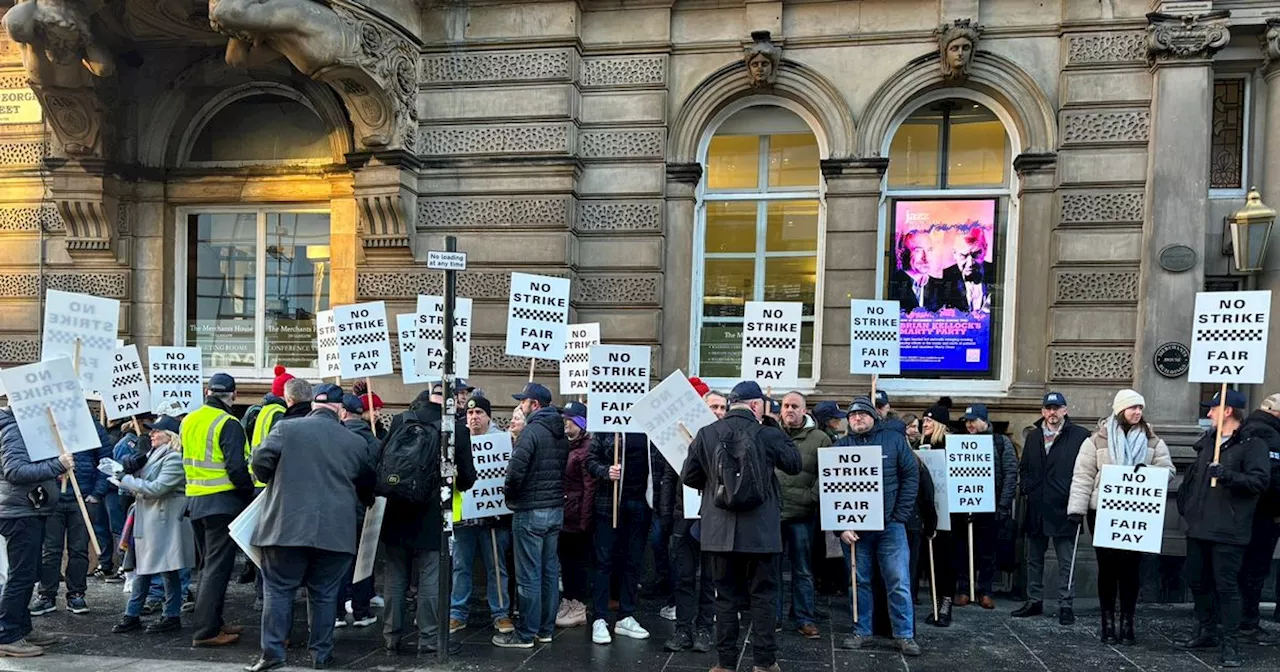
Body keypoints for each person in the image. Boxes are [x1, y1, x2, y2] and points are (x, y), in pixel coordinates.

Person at [245, 383, 378, 672]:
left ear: (313, 406)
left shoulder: (286, 429)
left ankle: (272, 655)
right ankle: (321, 654)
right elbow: (367, 486)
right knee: (325, 593)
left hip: (284, 527)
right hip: (334, 532)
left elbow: (260, 461)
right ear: (340, 410)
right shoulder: (355, 442)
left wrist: (272, 478)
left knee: (279, 591)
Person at [681, 381, 802, 672]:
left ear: (731, 403)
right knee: (764, 597)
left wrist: (716, 485)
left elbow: (689, 476)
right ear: (756, 405)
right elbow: (795, 464)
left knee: (725, 598)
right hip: (761, 533)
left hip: (719, 533)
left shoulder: (707, 433)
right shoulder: (768, 434)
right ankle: (764, 663)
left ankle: (725, 664)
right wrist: (774, 430)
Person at [1067, 389, 1174, 645]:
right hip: (1102, 511)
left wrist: (1146, 472)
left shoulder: (1153, 441)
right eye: (1132, 408)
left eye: (1140, 408)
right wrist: (1076, 510)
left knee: (1130, 569)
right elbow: (1082, 476)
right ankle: (1107, 623)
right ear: (1119, 410)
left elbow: (1168, 470)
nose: (1137, 412)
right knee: (1107, 568)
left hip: (1137, 513)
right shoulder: (1095, 441)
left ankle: (1127, 623)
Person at [1175, 389, 1269, 668]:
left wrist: (1227, 476)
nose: (1208, 414)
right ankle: (1207, 630)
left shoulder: (1252, 445)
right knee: (1195, 578)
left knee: (1227, 587)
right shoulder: (1208, 442)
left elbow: (1258, 482)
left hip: (1229, 529)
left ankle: (1231, 643)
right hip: (1200, 525)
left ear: (1228, 411)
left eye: (1213, 409)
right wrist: (1187, 506)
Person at [379, 383, 475, 656]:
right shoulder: (455, 429)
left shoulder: (401, 420)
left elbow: (380, 460)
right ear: (453, 398)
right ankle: (429, 638)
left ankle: (391, 636)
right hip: (432, 513)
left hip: (396, 510)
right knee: (431, 577)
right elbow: (467, 478)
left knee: (395, 576)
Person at [835, 397, 921, 656]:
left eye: (863, 414)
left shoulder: (894, 441)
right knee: (858, 581)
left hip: (890, 526)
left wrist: (900, 515)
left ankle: (904, 635)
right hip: (854, 529)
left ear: (874, 417)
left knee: (898, 580)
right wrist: (840, 526)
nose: (857, 418)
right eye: (852, 415)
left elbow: (911, 475)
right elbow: (831, 490)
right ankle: (862, 631)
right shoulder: (840, 447)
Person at [181, 372, 253, 648]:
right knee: (216, 569)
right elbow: (237, 467)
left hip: (196, 502)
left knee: (208, 567)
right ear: (233, 395)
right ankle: (206, 631)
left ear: (207, 391)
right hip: (221, 502)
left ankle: (215, 621)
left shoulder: (190, 420)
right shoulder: (229, 422)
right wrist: (248, 495)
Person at [494, 383, 567, 649]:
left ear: (534, 404)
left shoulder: (531, 432)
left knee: (528, 576)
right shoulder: (559, 432)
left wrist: (510, 496)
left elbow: (515, 472)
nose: (521, 406)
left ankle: (526, 633)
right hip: (554, 511)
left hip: (530, 512)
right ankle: (545, 630)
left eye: (523, 401)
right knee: (549, 573)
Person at [0, 406, 75, 657]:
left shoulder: (22, 428)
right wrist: (57, 465)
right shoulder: (15, 430)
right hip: (20, 513)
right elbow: (15, 471)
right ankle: (7, 634)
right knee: (22, 575)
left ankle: (21, 628)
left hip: (27, 510)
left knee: (28, 572)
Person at [110, 415, 194, 635]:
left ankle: (151, 615)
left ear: (170, 436)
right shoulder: (155, 454)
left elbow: (158, 488)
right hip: (153, 520)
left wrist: (125, 480)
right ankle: (144, 614)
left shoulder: (174, 458)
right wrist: (130, 469)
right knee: (153, 570)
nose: (151, 434)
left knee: (160, 570)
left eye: (156, 431)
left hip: (163, 521)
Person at [1015, 392, 1091, 626]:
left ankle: (1066, 604)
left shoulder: (1079, 435)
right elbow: (1025, 466)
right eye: (1048, 408)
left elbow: (1088, 466)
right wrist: (1028, 487)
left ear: (1065, 410)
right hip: (1036, 507)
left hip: (1064, 508)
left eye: (1057, 408)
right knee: (1034, 559)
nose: (1052, 413)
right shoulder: (1034, 436)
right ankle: (1034, 600)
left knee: (1065, 561)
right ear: (1042, 411)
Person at [30, 414, 110, 617]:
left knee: (79, 550)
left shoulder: (92, 427)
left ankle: (76, 594)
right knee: (50, 549)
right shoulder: (46, 425)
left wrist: (95, 493)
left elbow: (106, 462)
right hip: (53, 498)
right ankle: (46, 595)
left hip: (82, 498)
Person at [449, 395, 514, 636]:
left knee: (496, 567)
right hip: (464, 517)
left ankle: (501, 613)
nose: (474, 417)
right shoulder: (457, 441)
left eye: (479, 414)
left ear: (488, 416)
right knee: (460, 565)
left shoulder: (501, 441)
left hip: (493, 519)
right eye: (470, 414)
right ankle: (457, 613)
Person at [661, 386, 719, 654]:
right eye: (712, 407)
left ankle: (705, 629)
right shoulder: (681, 439)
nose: (717, 412)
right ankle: (683, 629)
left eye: (721, 407)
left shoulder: (729, 440)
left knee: (709, 578)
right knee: (684, 576)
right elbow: (670, 479)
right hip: (684, 518)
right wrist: (669, 514)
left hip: (716, 519)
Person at [586, 426, 652, 645]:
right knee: (604, 562)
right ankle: (600, 617)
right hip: (609, 504)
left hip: (641, 504)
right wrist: (606, 471)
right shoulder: (608, 426)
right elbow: (590, 459)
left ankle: (626, 615)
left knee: (633, 562)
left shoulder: (650, 425)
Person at [775, 392, 828, 639]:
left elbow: (827, 473)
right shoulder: (770, 434)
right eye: (785, 405)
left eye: (794, 406)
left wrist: (812, 497)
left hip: (802, 515)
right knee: (771, 569)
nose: (789, 410)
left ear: (804, 410)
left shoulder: (820, 439)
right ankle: (772, 617)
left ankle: (804, 618)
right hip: (772, 514)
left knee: (803, 570)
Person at [956, 403, 1017, 610]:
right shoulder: (960, 443)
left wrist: (1003, 505)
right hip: (965, 505)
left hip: (992, 506)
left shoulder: (1001, 442)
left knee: (989, 551)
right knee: (963, 549)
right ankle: (964, 589)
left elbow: (1010, 474)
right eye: (967, 421)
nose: (969, 425)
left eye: (973, 421)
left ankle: (985, 590)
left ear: (985, 421)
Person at [334, 394, 379, 630]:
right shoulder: (372, 440)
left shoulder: (336, 437)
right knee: (363, 562)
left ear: (343, 413)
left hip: (339, 509)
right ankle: (362, 612)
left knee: (338, 563)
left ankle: (337, 613)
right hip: (364, 509)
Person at [1240, 394, 1280, 644]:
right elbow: (1270, 479)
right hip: (1264, 513)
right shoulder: (1266, 435)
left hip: (1256, 512)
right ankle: (1247, 622)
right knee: (1254, 569)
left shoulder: (1253, 429)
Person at [556, 401, 595, 629]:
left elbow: (589, 487)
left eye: (570, 420)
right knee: (567, 563)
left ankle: (578, 605)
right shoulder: (568, 446)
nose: (566, 423)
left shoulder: (585, 449)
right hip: (565, 514)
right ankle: (569, 601)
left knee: (578, 564)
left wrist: (585, 520)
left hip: (577, 516)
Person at [918, 407, 955, 627]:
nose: (925, 424)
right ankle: (936, 602)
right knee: (932, 559)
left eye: (929, 420)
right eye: (923, 420)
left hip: (948, 513)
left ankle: (946, 603)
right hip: (928, 510)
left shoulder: (949, 444)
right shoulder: (923, 445)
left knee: (945, 559)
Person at [888, 230, 946, 313]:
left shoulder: (940, 287)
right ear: (901, 254)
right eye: (918, 251)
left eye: (929, 250)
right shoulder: (892, 284)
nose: (926, 258)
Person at [940, 227, 992, 314]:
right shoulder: (942, 279)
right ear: (954, 253)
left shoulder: (999, 273)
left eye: (976, 254)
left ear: (985, 249)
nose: (970, 263)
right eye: (963, 255)